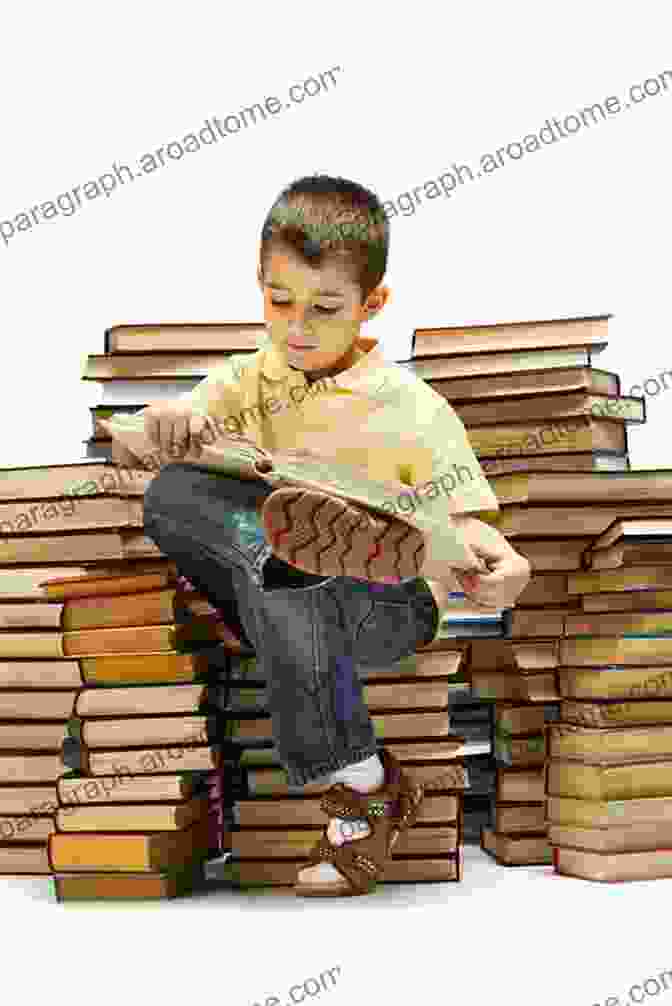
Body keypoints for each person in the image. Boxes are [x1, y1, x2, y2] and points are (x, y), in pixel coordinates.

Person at [115, 174, 531, 896]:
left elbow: (468, 529)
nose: (297, 326)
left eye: (325, 308)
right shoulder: (248, 380)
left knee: (289, 567)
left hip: (384, 610)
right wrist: (160, 422)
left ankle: (360, 785)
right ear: (259, 286)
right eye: (279, 302)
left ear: (373, 305)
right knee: (176, 491)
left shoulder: (415, 410)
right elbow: (153, 438)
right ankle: (368, 781)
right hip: (266, 585)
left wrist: (503, 568)